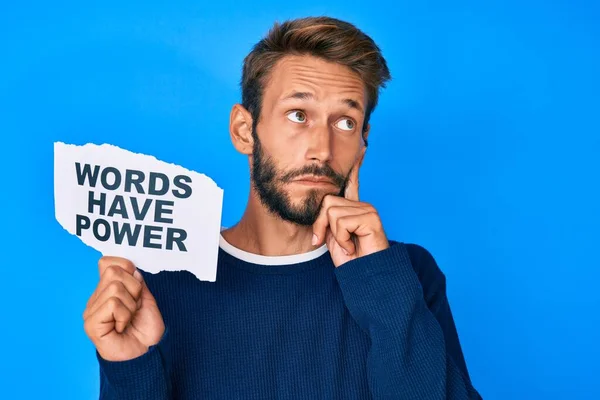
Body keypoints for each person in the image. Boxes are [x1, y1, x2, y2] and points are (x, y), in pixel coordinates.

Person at [82, 16, 482, 399]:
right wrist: (130, 367)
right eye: (298, 115)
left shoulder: (403, 274)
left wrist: (378, 282)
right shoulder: (162, 284)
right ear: (244, 130)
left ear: (363, 140)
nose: (322, 150)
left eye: (345, 122)